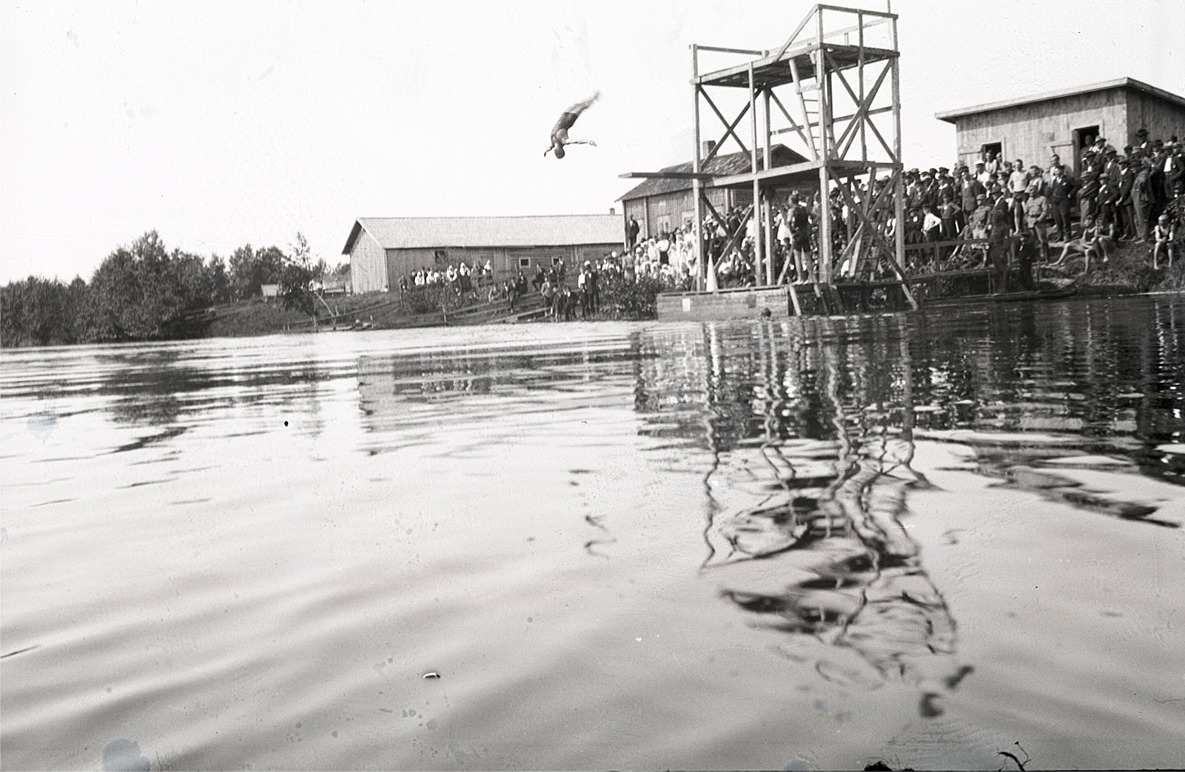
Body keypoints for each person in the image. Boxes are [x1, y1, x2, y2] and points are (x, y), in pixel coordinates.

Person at [544, 92, 600, 159]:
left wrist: (546, 151)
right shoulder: (563, 141)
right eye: (557, 151)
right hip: (570, 119)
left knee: (578, 104)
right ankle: (595, 96)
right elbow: (576, 141)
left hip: (564, 115)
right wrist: (587, 141)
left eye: (556, 151)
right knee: (583, 106)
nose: (556, 150)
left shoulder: (553, 144)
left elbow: (549, 147)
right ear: (561, 150)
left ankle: (593, 96)